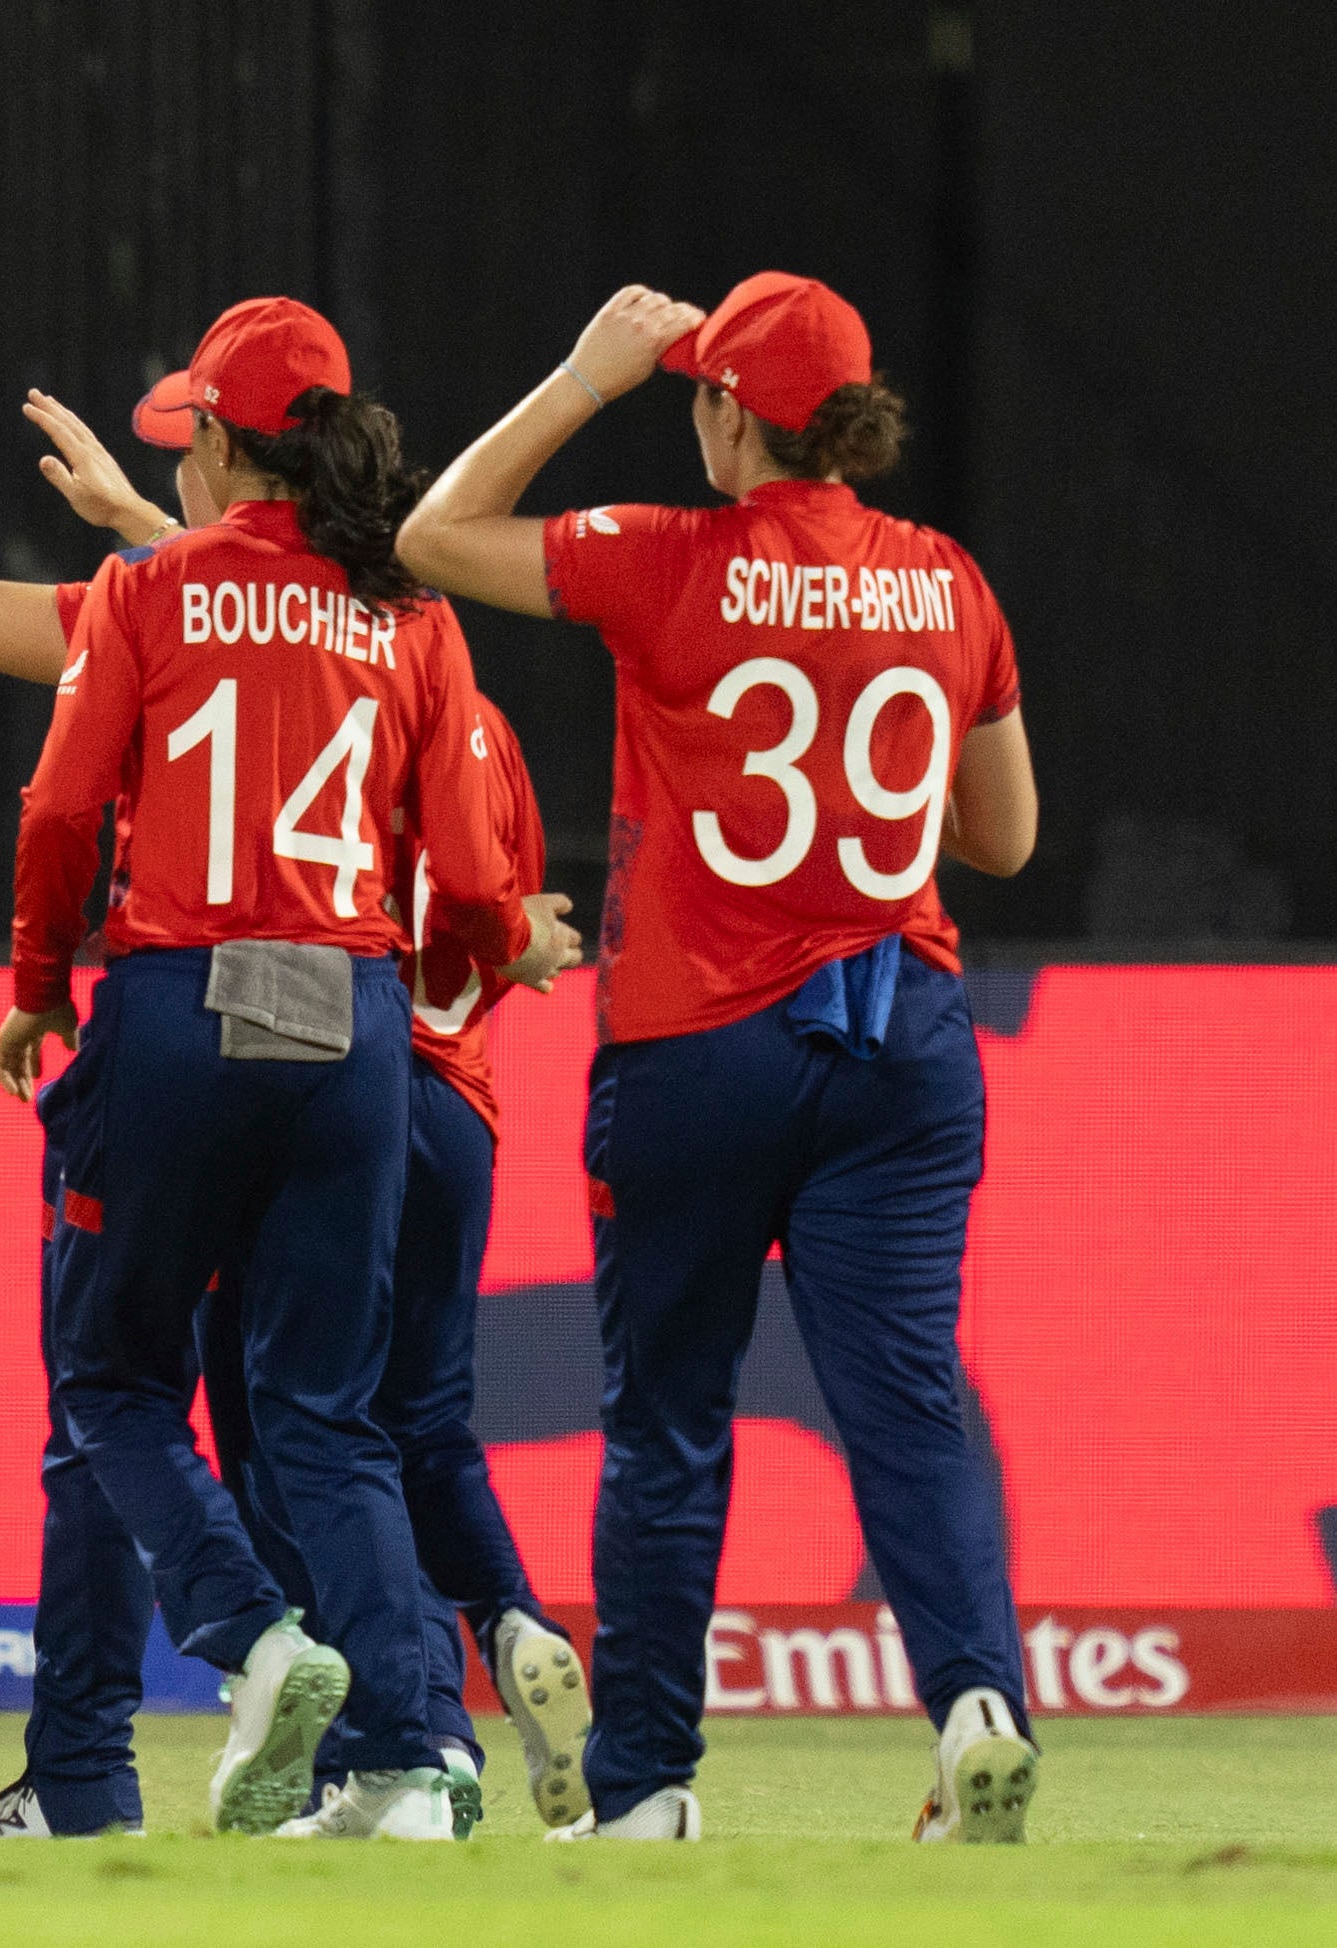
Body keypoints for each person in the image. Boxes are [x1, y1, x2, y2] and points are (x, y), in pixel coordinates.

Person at [0, 366, 590, 1837]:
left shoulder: (146, 594)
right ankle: (414, 1759)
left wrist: (38, 980)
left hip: (180, 1009)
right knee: (337, 1420)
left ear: (220, 442)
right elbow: (472, 884)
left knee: (108, 1384)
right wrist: (500, 945)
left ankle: (246, 1646)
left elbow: (46, 790)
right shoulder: (411, 615)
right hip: (363, 1035)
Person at [397, 274, 1041, 1843]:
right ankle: (976, 1704)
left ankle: (648, 1790)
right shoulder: (944, 580)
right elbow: (1004, 841)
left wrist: (576, 378)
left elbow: (428, 535)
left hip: (699, 1048)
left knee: (668, 1420)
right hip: (901, 1042)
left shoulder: (665, 558)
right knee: (905, 1403)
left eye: (695, 390)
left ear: (728, 412)